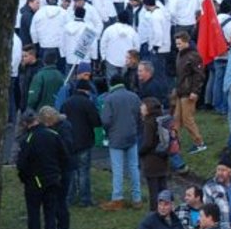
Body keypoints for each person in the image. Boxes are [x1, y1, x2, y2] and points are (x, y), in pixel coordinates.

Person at [15, 108, 69, 229]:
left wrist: (25, 179)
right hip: (53, 180)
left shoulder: (28, 139)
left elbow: (22, 164)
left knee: (34, 215)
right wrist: (58, 173)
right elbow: (64, 156)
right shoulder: (53, 135)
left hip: (34, 183)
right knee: (50, 214)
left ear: (26, 124)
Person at [97, 73, 142, 211]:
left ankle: (117, 198)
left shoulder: (110, 99)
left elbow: (105, 120)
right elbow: (139, 115)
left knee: (118, 169)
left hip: (116, 138)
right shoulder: (134, 96)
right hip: (132, 136)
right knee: (134, 167)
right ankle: (137, 199)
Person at [60, 80, 102, 208]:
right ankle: (85, 199)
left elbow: (60, 120)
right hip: (84, 142)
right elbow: (96, 122)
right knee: (84, 171)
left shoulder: (66, 103)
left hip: (69, 142)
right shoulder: (88, 103)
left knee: (70, 171)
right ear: (86, 90)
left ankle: (69, 198)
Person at [171, 33, 207, 154]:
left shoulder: (193, 56)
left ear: (186, 42)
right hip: (181, 92)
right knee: (176, 119)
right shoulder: (181, 55)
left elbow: (199, 75)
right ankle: (174, 142)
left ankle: (199, 143)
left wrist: (195, 91)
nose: (178, 46)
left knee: (187, 119)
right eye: (176, 44)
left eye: (179, 43)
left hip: (188, 93)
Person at [137, 97, 171, 202]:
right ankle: (166, 210)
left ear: (148, 108)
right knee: (163, 189)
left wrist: (140, 152)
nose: (140, 108)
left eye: (143, 105)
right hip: (163, 157)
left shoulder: (149, 122)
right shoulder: (163, 119)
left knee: (153, 191)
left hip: (151, 160)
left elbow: (148, 143)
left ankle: (154, 213)